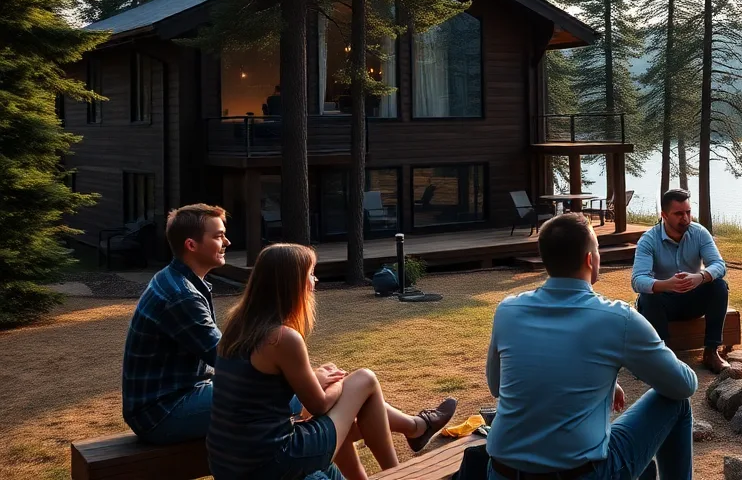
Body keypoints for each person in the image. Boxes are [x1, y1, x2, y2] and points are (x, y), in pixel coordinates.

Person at [207, 244, 457, 480]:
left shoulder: (237, 325)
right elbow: (319, 405)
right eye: (310, 274)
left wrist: (319, 380)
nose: (314, 282)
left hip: (229, 461)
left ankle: (388, 459)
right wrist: (339, 384)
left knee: (341, 405)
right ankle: (396, 472)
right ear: (292, 284)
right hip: (271, 461)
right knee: (365, 379)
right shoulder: (282, 338)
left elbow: (262, 390)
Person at [486, 213, 699, 480]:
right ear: (590, 260)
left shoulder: (508, 310)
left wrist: (605, 379)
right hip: (581, 475)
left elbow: (496, 386)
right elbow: (683, 385)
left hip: (502, 472)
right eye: (597, 249)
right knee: (677, 403)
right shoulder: (617, 318)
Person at [122, 204, 231, 443]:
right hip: (161, 413)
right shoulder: (181, 295)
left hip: (177, 396)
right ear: (191, 245)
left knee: (281, 394)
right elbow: (226, 358)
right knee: (280, 396)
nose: (227, 242)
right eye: (218, 236)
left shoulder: (178, 280)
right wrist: (301, 379)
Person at [631, 188, 731, 373]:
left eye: (688, 212)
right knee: (648, 295)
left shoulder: (700, 233)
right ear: (664, 215)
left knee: (719, 286)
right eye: (678, 213)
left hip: (692, 300)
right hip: (662, 306)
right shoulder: (648, 240)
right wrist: (666, 284)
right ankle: (664, 355)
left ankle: (711, 352)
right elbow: (637, 280)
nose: (685, 218)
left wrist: (700, 277)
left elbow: (719, 265)